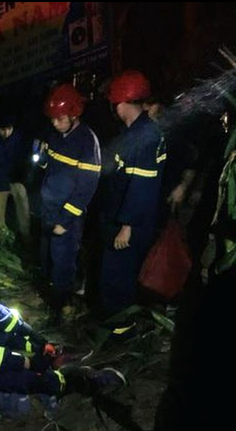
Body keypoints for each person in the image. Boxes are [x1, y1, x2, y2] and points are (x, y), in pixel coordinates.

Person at [0, 235, 126, 397]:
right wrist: (26, 362)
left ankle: (50, 354)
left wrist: (33, 336)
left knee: (12, 338)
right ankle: (73, 382)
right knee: (25, 379)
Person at [99, 70, 166, 337]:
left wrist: (127, 226)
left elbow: (141, 186)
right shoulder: (140, 132)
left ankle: (121, 333)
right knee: (119, 276)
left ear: (122, 102)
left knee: (116, 279)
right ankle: (122, 327)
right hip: (125, 218)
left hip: (130, 223)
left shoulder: (143, 136)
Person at [39, 84, 101, 323]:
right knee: (46, 258)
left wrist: (65, 219)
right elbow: (49, 169)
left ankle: (63, 305)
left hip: (67, 215)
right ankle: (50, 297)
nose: (56, 123)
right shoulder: (55, 135)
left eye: (61, 118)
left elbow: (87, 187)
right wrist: (42, 157)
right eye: (53, 119)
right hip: (48, 209)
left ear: (74, 114)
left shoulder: (87, 141)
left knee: (63, 261)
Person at [0, 115, 32, 244]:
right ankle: (4, 241)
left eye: (8, 129)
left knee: (24, 211)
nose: (6, 132)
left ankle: (25, 237)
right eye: (3, 129)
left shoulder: (19, 139)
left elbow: (26, 158)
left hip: (16, 181)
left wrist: (23, 176)